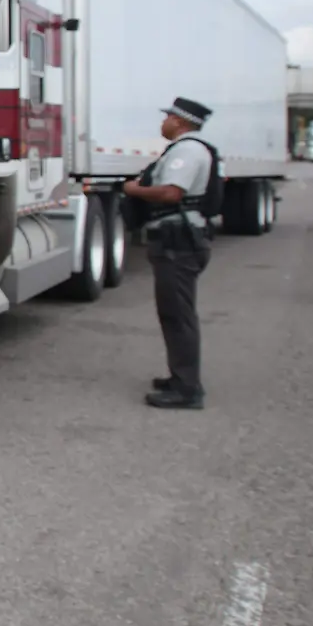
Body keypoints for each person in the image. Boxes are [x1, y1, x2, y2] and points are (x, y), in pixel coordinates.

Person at [121, 96, 219, 410]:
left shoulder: (188, 150)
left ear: (179, 120)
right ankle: (180, 378)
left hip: (178, 243)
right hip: (178, 241)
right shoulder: (188, 149)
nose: (163, 123)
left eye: (167, 118)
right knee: (175, 314)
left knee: (178, 316)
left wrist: (133, 190)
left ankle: (187, 389)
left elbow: (171, 192)